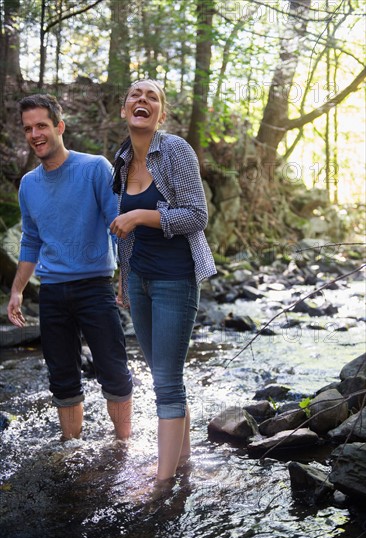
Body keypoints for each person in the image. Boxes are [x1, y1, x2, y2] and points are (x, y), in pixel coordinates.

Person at [7, 94, 133, 441]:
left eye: (41, 126)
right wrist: (17, 289)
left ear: (59, 127)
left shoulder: (94, 168)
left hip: (95, 287)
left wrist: (126, 278)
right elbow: (30, 240)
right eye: (28, 128)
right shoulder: (29, 184)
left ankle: (123, 445)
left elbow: (118, 225)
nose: (35, 134)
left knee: (114, 372)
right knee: (62, 378)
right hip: (52, 293)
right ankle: (72, 448)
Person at [110, 79, 216, 484]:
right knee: (162, 374)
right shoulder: (121, 159)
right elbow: (124, 233)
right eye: (135, 95)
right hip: (140, 280)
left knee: (167, 383)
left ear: (161, 114)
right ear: (125, 111)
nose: (142, 100)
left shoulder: (175, 151)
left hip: (176, 279)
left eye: (151, 96)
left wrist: (141, 215)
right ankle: (182, 462)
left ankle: (161, 483)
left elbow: (196, 216)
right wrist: (124, 279)